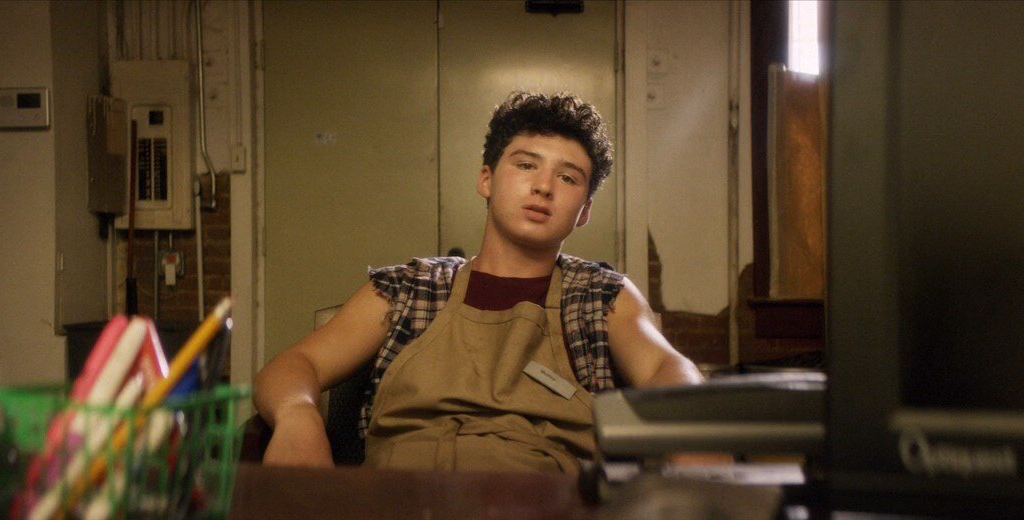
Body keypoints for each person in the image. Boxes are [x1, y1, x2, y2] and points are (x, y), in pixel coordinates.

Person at [253, 91, 704, 473]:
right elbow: (294, 365)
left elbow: (667, 371)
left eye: (567, 177)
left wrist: (695, 435)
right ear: (486, 179)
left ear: (584, 211)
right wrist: (297, 417)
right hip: (399, 501)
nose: (544, 186)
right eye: (526, 165)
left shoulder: (599, 297)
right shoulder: (410, 289)